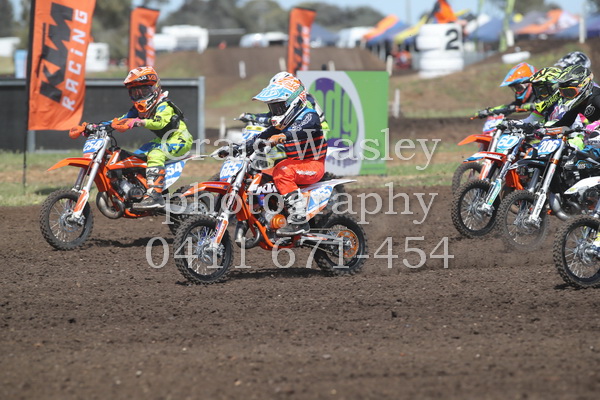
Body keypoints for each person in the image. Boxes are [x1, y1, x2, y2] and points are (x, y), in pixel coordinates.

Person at [71, 66, 193, 210]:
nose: (140, 95)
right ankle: (136, 191)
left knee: (155, 154)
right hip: (163, 140)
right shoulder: (138, 109)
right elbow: (119, 121)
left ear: (155, 88)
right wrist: (93, 127)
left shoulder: (164, 105)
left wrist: (138, 122)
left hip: (180, 139)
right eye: (135, 92)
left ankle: (155, 196)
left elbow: (159, 123)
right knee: (134, 159)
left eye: (144, 91)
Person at [235, 72, 328, 236]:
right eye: (272, 107)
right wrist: (237, 148)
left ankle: (299, 220)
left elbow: (300, 129)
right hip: (295, 164)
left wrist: (282, 136)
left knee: (282, 170)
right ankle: (265, 216)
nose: (275, 111)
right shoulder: (284, 122)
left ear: (293, 101)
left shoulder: (309, 115)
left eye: (278, 106)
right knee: (259, 177)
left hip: (313, 165)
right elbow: (261, 136)